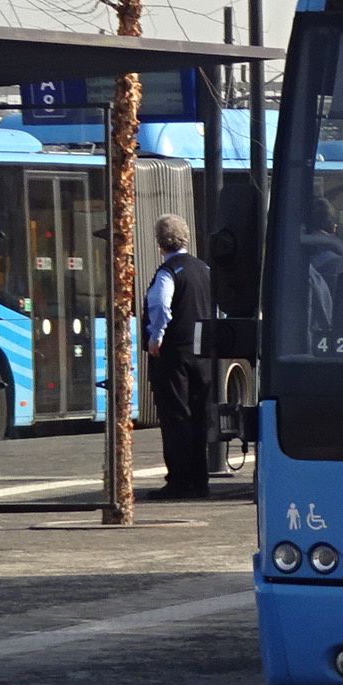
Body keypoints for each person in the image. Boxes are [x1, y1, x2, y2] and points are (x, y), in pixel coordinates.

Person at [142, 212, 214, 500]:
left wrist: (155, 337)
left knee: (175, 416)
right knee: (199, 415)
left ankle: (180, 480)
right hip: (203, 353)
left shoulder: (167, 272)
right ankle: (200, 479)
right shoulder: (204, 269)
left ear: (160, 242)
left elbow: (161, 306)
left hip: (174, 354)